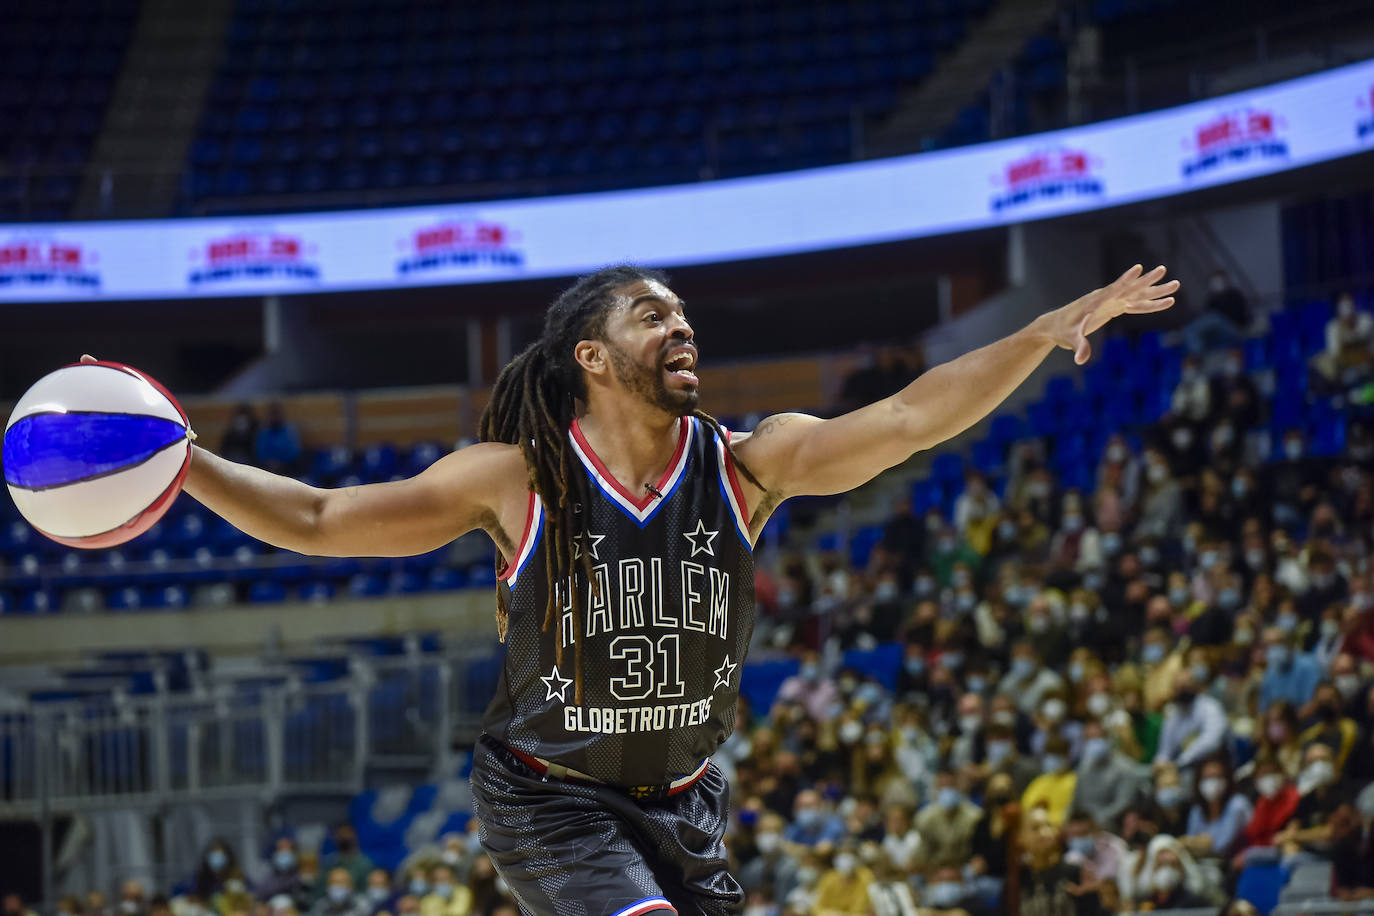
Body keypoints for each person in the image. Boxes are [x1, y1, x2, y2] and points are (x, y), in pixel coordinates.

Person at [119, 262, 1177, 915]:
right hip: (548, 795)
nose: (682, 329)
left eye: (684, 316)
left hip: (685, 798)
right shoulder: (519, 477)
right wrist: (185, 460)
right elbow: (316, 518)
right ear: (592, 354)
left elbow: (910, 420)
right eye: (651, 317)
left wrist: (1040, 332)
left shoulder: (752, 462)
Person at [1071, 721, 1146, 832]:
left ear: (1108, 739)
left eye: (1098, 737)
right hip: (1083, 825)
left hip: (1112, 824)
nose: (1094, 742)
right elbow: (1075, 801)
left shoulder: (1125, 768)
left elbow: (1123, 803)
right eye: (1089, 738)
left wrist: (1095, 820)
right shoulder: (1083, 768)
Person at [1153, 670, 1229, 770]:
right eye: (1179, 687)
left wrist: (1181, 761)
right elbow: (1165, 750)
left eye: (1186, 686)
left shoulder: (1210, 707)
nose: (1183, 690)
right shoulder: (1173, 714)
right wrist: (1160, 763)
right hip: (1181, 768)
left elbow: (1211, 742)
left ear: (1195, 686)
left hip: (1211, 764)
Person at [323, 825, 374, 892]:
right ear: (335, 838)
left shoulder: (365, 864)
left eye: (347, 834)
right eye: (341, 835)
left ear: (355, 837)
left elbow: (366, 889)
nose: (344, 837)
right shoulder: (329, 862)